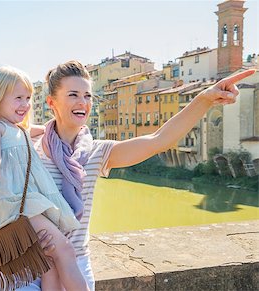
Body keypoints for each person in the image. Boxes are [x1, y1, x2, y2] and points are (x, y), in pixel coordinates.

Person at [21, 60, 256, 290]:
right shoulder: (27, 148)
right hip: (30, 266)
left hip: (77, 266)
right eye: (73, 94)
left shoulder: (98, 152)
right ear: (51, 102)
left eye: (88, 95)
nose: (83, 102)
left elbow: (159, 141)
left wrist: (204, 99)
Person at [0, 66, 90, 291]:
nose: (25, 105)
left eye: (28, 98)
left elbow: (51, 128)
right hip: (14, 205)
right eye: (18, 98)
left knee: (49, 263)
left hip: (24, 205)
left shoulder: (19, 129)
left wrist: (77, 125)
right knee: (64, 249)